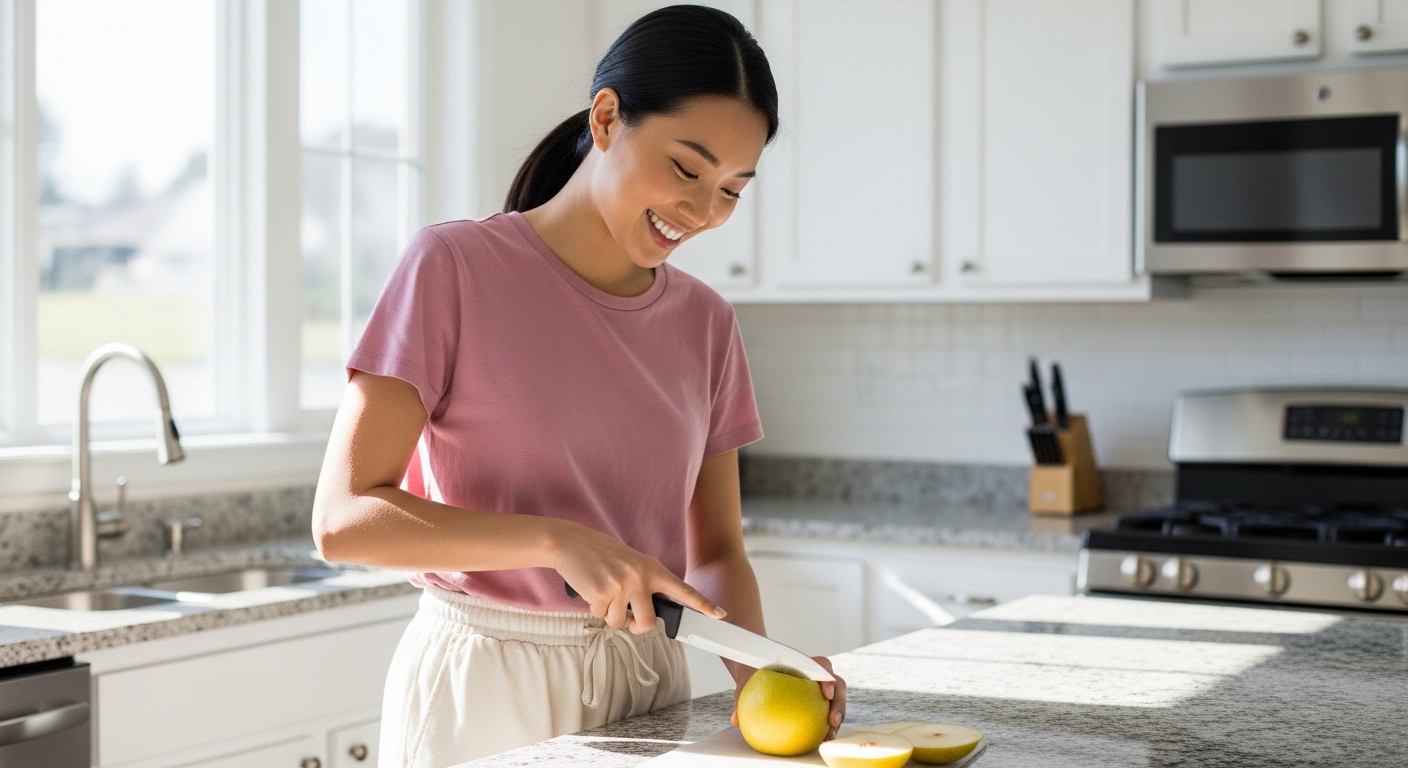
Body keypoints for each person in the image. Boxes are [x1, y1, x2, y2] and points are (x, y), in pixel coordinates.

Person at [311, 5, 846, 766]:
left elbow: (718, 547)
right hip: (487, 682)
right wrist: (556, 540)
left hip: (646, 680)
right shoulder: (454, 269)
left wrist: (759, 661)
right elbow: (343, 517)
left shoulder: (707, 325)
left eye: (732, 188)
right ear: (605, 119)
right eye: (687, 168)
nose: (701, 211)